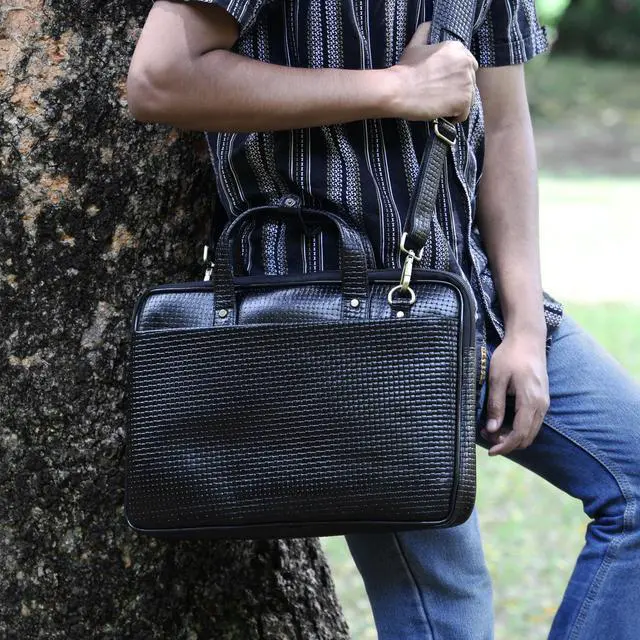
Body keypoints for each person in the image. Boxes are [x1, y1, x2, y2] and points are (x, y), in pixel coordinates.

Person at [126, 1, 640, 637]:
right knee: (448, 604)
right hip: (341, 327)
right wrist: (397, 88)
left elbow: (506, 129)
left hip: (470, 296)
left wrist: (527, 330)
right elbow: (160, 79)